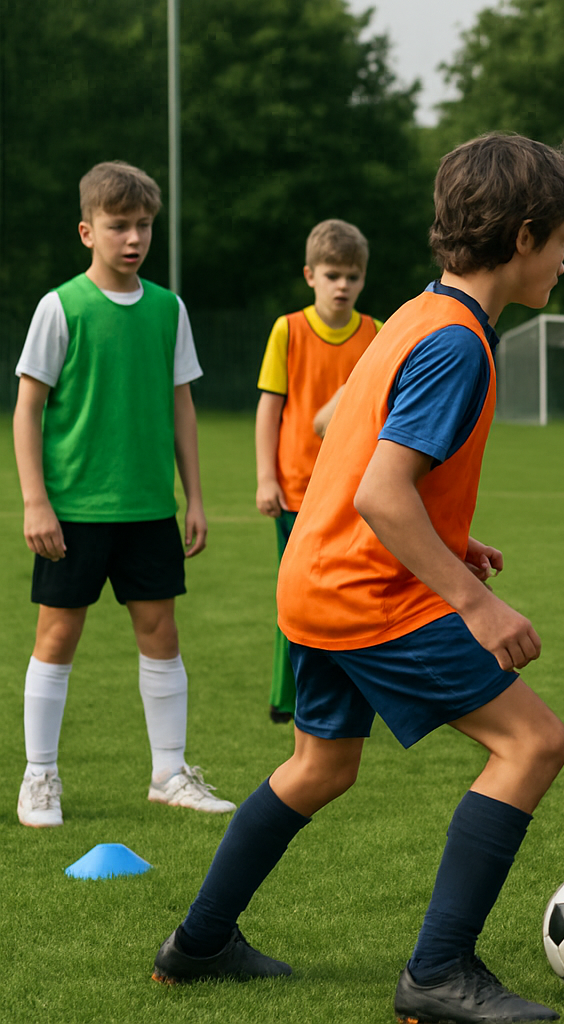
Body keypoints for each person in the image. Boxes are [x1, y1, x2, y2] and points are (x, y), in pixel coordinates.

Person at [150, 133, 564, 1024]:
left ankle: (197, 945)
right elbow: (381, 492)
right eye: (561, 243)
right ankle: (436, 972)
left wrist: (454, 545)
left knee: (319, 765)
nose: (562, 263)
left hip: (311, 580)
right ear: (521, 236)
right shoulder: (457, 345)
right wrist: (475, 602)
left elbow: (365, 470)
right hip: (364, 592)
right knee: (532, 745)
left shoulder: (415, 313)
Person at [14, 160, 235, 829]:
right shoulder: (61, 307)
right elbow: (27, 408)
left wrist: (194, 498)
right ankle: (40, 778)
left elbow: (182, 409)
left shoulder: (170, 309)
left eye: (142, 226)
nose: (133, 238)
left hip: (148, 508)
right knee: (57, 635)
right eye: (118, 226)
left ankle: (169, 772)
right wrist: (34, 500)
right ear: (88, 231)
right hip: (74, 509)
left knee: (160, 633)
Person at [255, 218, 383, 724]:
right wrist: (266, 476)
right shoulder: (288, 329)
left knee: (354, 593)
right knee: (295, 596)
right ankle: (286, 696)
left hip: (353, 491)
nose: (342, 286)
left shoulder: (374, 332)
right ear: (310, 275)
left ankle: (356, 689)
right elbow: (270, 408)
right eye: (332, 275)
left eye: (352, 276)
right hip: (294, 488)